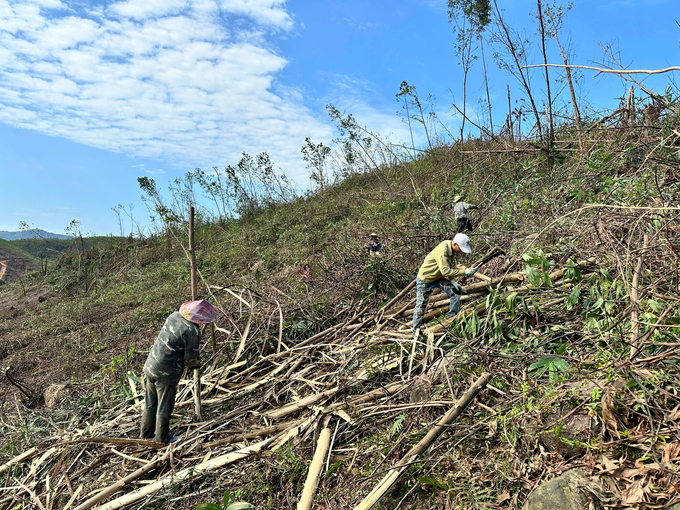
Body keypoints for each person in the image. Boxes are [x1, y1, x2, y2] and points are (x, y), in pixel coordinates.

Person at [141, 299, 219, 443]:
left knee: (150, 403)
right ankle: (161, 439)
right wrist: (197, 364)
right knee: (164, 406)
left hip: (151, 365)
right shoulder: (192, 331)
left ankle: (145, 435)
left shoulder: (174, 316)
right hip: (166, 373)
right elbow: (190, 360)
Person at [412, 233, 476, 336]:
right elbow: (446, 271)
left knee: (456, 292)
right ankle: (416, 332)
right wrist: (465, 272)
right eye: (461, 248)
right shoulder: (443, 250)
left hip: (438, 278)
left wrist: (453, 282)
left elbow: (449, 267)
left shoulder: (452, 250)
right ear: (455, 244)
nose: (461, 251)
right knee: (421, 307)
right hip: (425, 280)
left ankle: (451, 320)